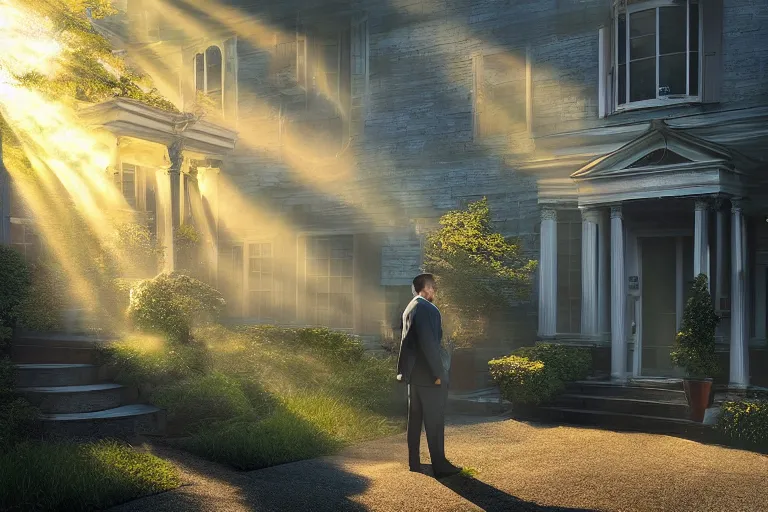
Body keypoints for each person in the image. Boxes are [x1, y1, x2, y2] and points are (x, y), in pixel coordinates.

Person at [396, 273, 462, 478]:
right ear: (424, 288)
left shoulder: (410, 306)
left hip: (414, 376)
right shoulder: (426, 308)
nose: (434, 290)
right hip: (428, 375)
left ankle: (414, 462)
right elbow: (428, 344)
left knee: (414, 420)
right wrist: (438, 373)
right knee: (434, 421)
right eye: (432, 287)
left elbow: (409, 344)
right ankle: (440, 465)